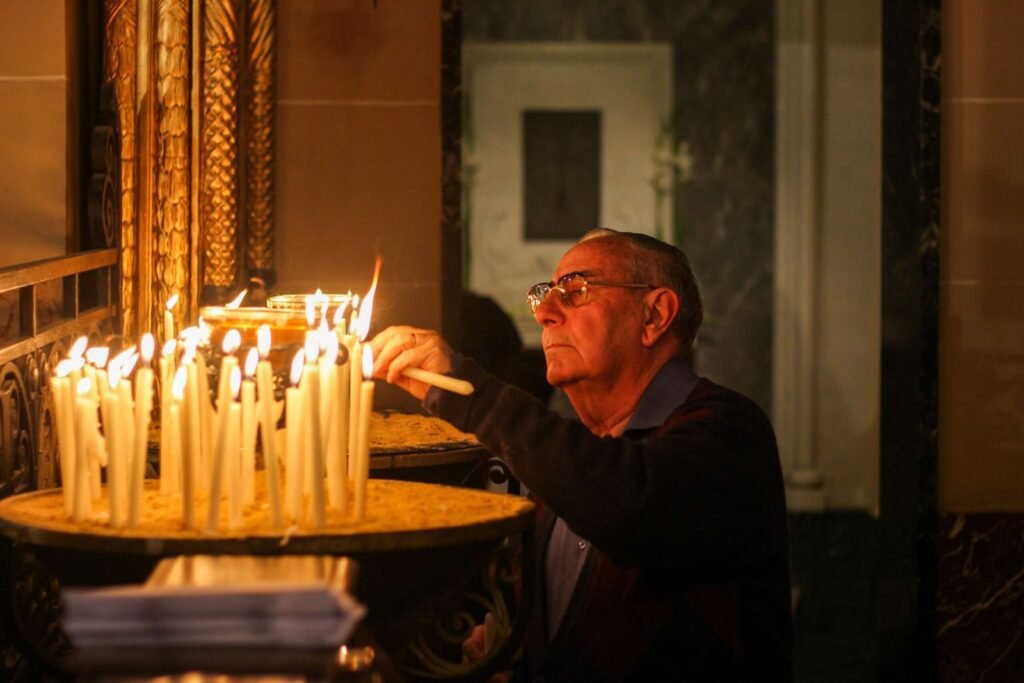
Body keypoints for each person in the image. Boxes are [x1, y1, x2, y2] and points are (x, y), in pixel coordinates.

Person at [369, 228, 792, 681]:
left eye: (575, 290)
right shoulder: (572, 463)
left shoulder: (727, 431)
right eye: (543, 295)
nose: (545, 313)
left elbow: (627, 504)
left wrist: (469, 395)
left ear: (654, 315)